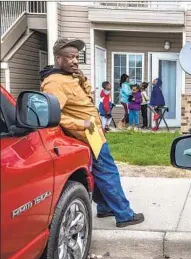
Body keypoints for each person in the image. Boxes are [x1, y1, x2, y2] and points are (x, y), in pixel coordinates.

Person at [40, 38, 144, 228]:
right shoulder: (54, 82)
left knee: (98, 170)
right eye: (69, 57)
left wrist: (82, 79)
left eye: (76, 57)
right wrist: (81, 123)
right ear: (58, 58)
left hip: (93, 131)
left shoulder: (70, 76)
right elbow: (52, 115)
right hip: (86, 134)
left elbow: (86, 98)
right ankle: (125, 215)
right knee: (107, 171)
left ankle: (104, 207)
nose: (74, 61)